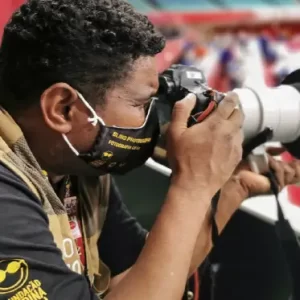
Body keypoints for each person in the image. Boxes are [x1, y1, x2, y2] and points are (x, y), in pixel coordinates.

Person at [0, 1, 298, 299]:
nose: (152, 120)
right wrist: (192, 185)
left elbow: (144, 278)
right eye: (141, 104)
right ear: (63, 108)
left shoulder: (75, 166)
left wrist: (232, 187)